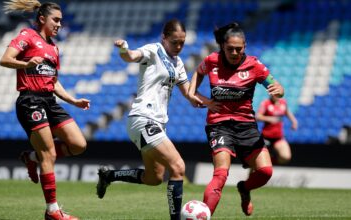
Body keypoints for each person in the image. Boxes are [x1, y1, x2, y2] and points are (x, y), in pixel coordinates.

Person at [96, 19, 202, 220]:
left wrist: (199, 100)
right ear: (164, 38)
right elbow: (132, 56)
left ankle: (108, 176)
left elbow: (188, 91)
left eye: (182, 43)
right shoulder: (153, 50)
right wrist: (124, 49)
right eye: (174, 42)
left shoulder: (178, 62)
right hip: (143, 118)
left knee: (153, 178)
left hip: (157, 123)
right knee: (178, 167)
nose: (178, 47)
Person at [0, 1, 90, 219]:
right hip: (30, 100)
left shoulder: (54, 47)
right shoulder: (27, 35)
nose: (59, 24)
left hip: (49, 100)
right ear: (42, 18)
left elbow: (54, 81)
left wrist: (73, 100)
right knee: (48, 154)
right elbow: (5, 60)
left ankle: (32, 157)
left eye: (60, 20)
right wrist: (27, 64)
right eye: (55, 20)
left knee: (79, 144)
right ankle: (53, 211)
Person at [188, 22, 285, 217]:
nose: (234, 52)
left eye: (238, 49)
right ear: (222, 46)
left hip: (247, 126)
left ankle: (244, 188)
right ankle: (205, 216)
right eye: (230, 48)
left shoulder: (254, 65)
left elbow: (276, 86)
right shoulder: (212, 61)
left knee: (265, 172)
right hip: (219, 123)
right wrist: (195, 95)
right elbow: (198, 73)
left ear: (245, 47)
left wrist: (279, 90)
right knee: (221, 174)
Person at [256, 96, 298, 165]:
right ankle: (253, 173)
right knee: (257, 162)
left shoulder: (283, 103)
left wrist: (294, 121)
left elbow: (287, 112)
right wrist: (270, 119)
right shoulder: (266, 103)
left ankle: (269, 162)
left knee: (286, 157)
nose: (275, 96)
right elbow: (258, 116)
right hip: (266, 138)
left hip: (278, 137)